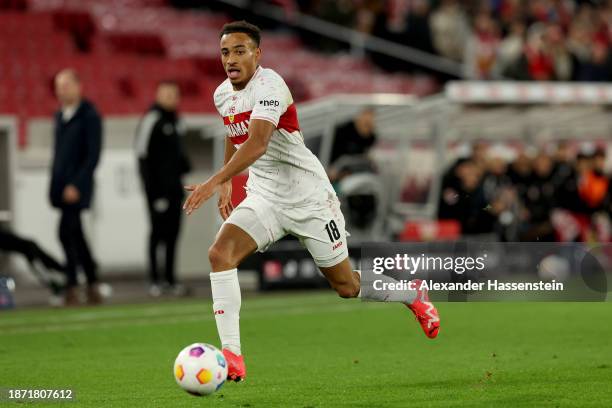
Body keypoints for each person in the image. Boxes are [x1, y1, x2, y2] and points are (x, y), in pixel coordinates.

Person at [182, 21, 440, 382]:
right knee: (219, 254)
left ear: (257, 54)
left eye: (240, 50)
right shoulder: (222, 94)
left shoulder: (270, 85)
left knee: (346, 287)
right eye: (225, 52)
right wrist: (227, 182)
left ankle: (410, 293)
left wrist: (215, 180)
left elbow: (256, 142)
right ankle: (232, 355)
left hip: (309, 198)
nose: (231, 58)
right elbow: (233, 131)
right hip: (266, 196)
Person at [49, 69, 103, 306]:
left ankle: (74, 286)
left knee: (66, 232)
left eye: (66, 85)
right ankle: (91, 283)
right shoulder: (59, 116)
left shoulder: (90, 116)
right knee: (74, 235)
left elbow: (92, 156)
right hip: (61, 186)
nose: (61, 90)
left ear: (78, 86)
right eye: (58, 85)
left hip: (76, 187)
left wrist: (77, 184)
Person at [135, 81, 191, 297]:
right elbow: (142, 157)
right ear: (158, 95)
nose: (170, 98)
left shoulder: (177, 121)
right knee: (157, 234)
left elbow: (177, 156)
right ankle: (155, 281)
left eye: (173, 94)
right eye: (166, 93)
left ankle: (170, 280)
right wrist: (153, 193)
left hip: (175, 190)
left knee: (173, 235)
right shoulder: (152, 120)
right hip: (157, 192)